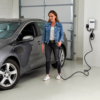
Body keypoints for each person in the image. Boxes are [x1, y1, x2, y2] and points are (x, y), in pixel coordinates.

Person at [41, 10, 64, 81]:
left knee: (57, 59)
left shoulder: (59, 24)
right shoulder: (46, 25)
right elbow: (44, 35)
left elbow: (62, 34)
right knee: (47, 60)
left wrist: (60, 41)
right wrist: (42, 44)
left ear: (55, 16)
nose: (50, 17)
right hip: (48, 44)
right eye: (49, 16)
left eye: (52, 16)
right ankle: (47, 75)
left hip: (56, 43)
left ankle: (59, 73)